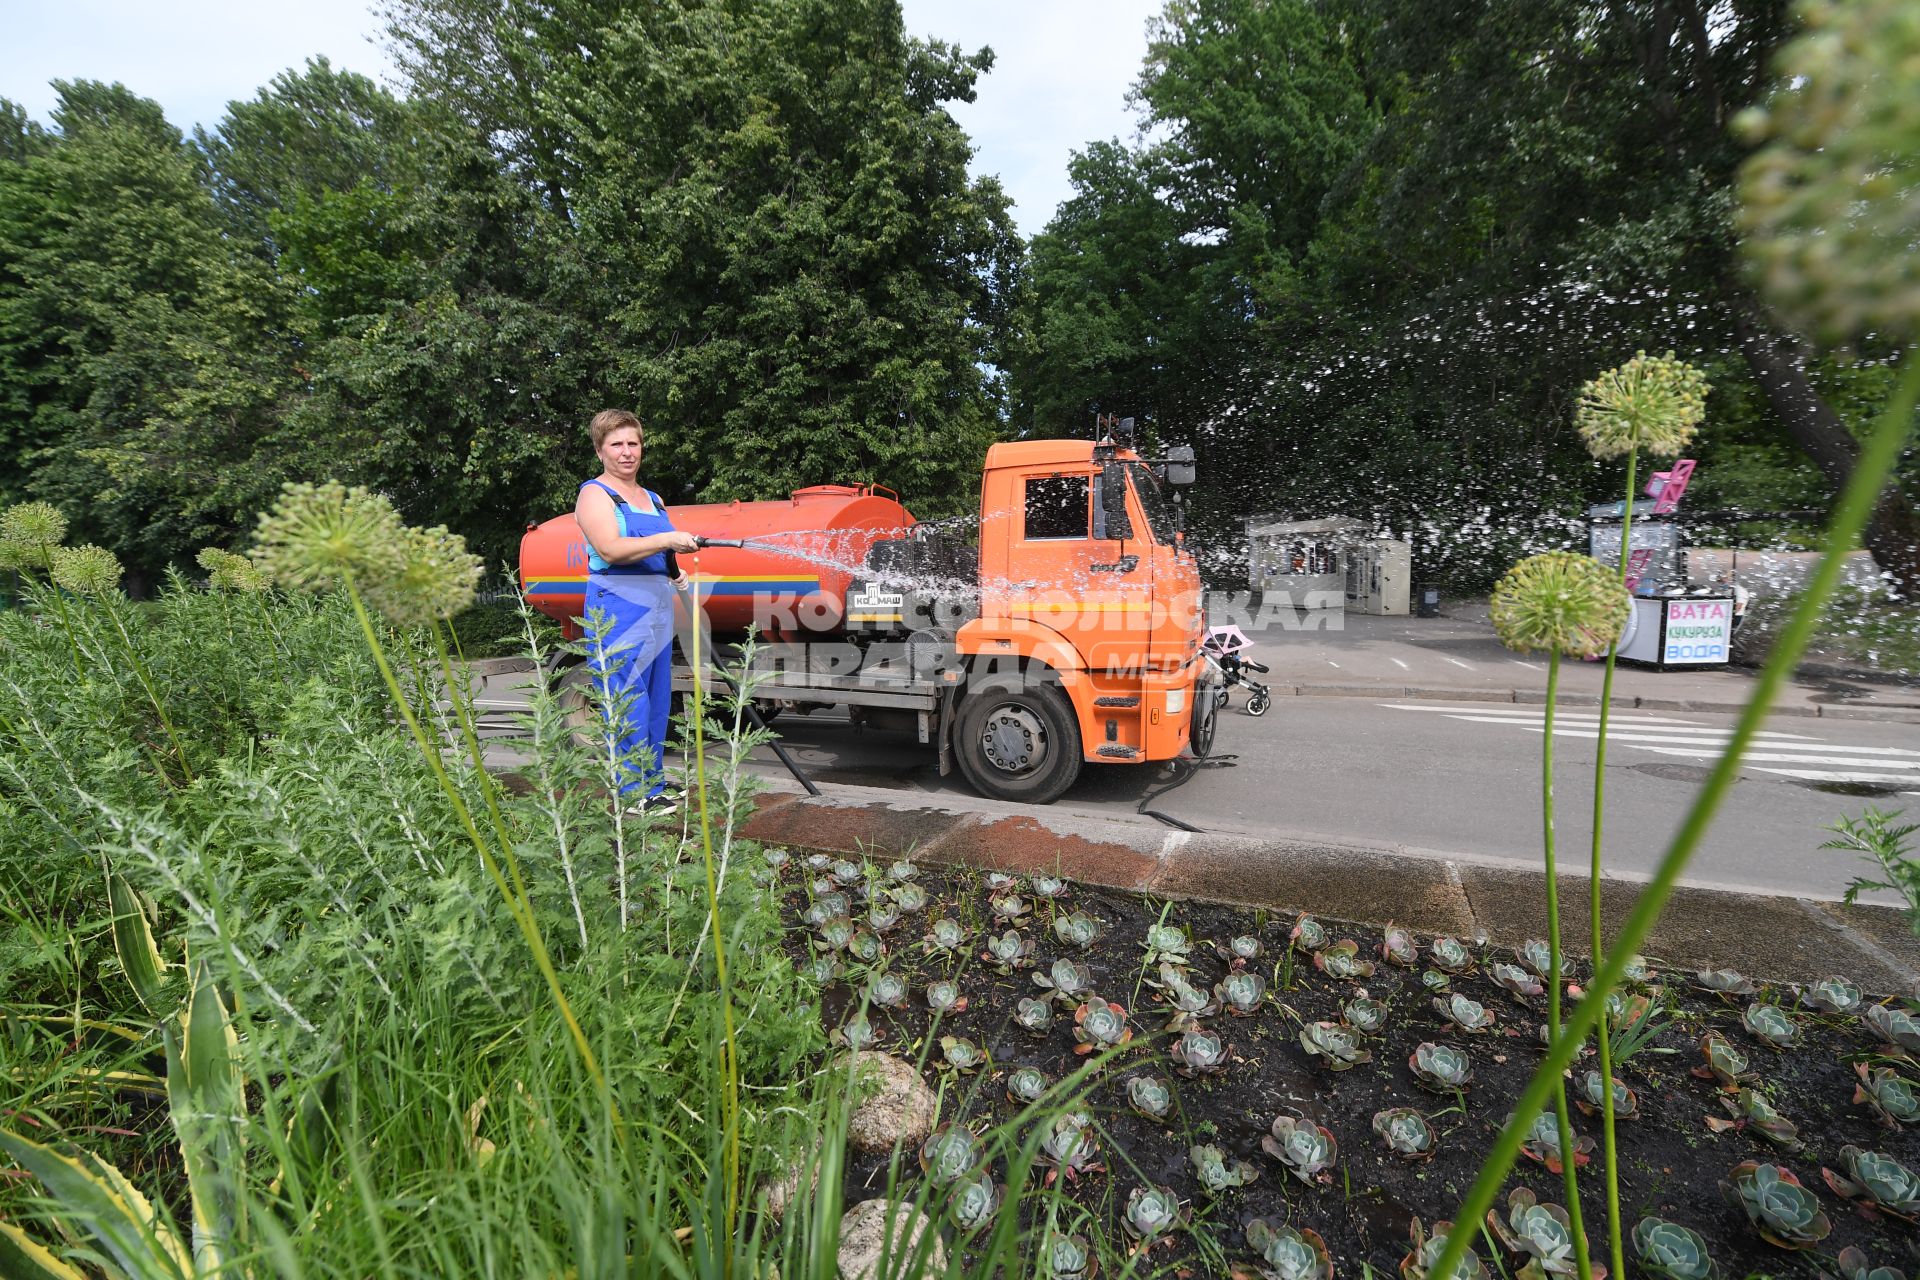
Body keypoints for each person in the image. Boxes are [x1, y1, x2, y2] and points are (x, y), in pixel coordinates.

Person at [574, 409, 701, 811]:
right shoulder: (594, 494)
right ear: (600, 450)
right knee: (627, 700)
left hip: (657, 604)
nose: (627, 452)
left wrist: (678, 577)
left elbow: (662, 552)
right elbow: (611, 548)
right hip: (618, 606)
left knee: (658, 699)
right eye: (617, 445)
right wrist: (667, 538)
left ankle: (653, 781)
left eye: (633, 443)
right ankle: (631, 794)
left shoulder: (652, 498)